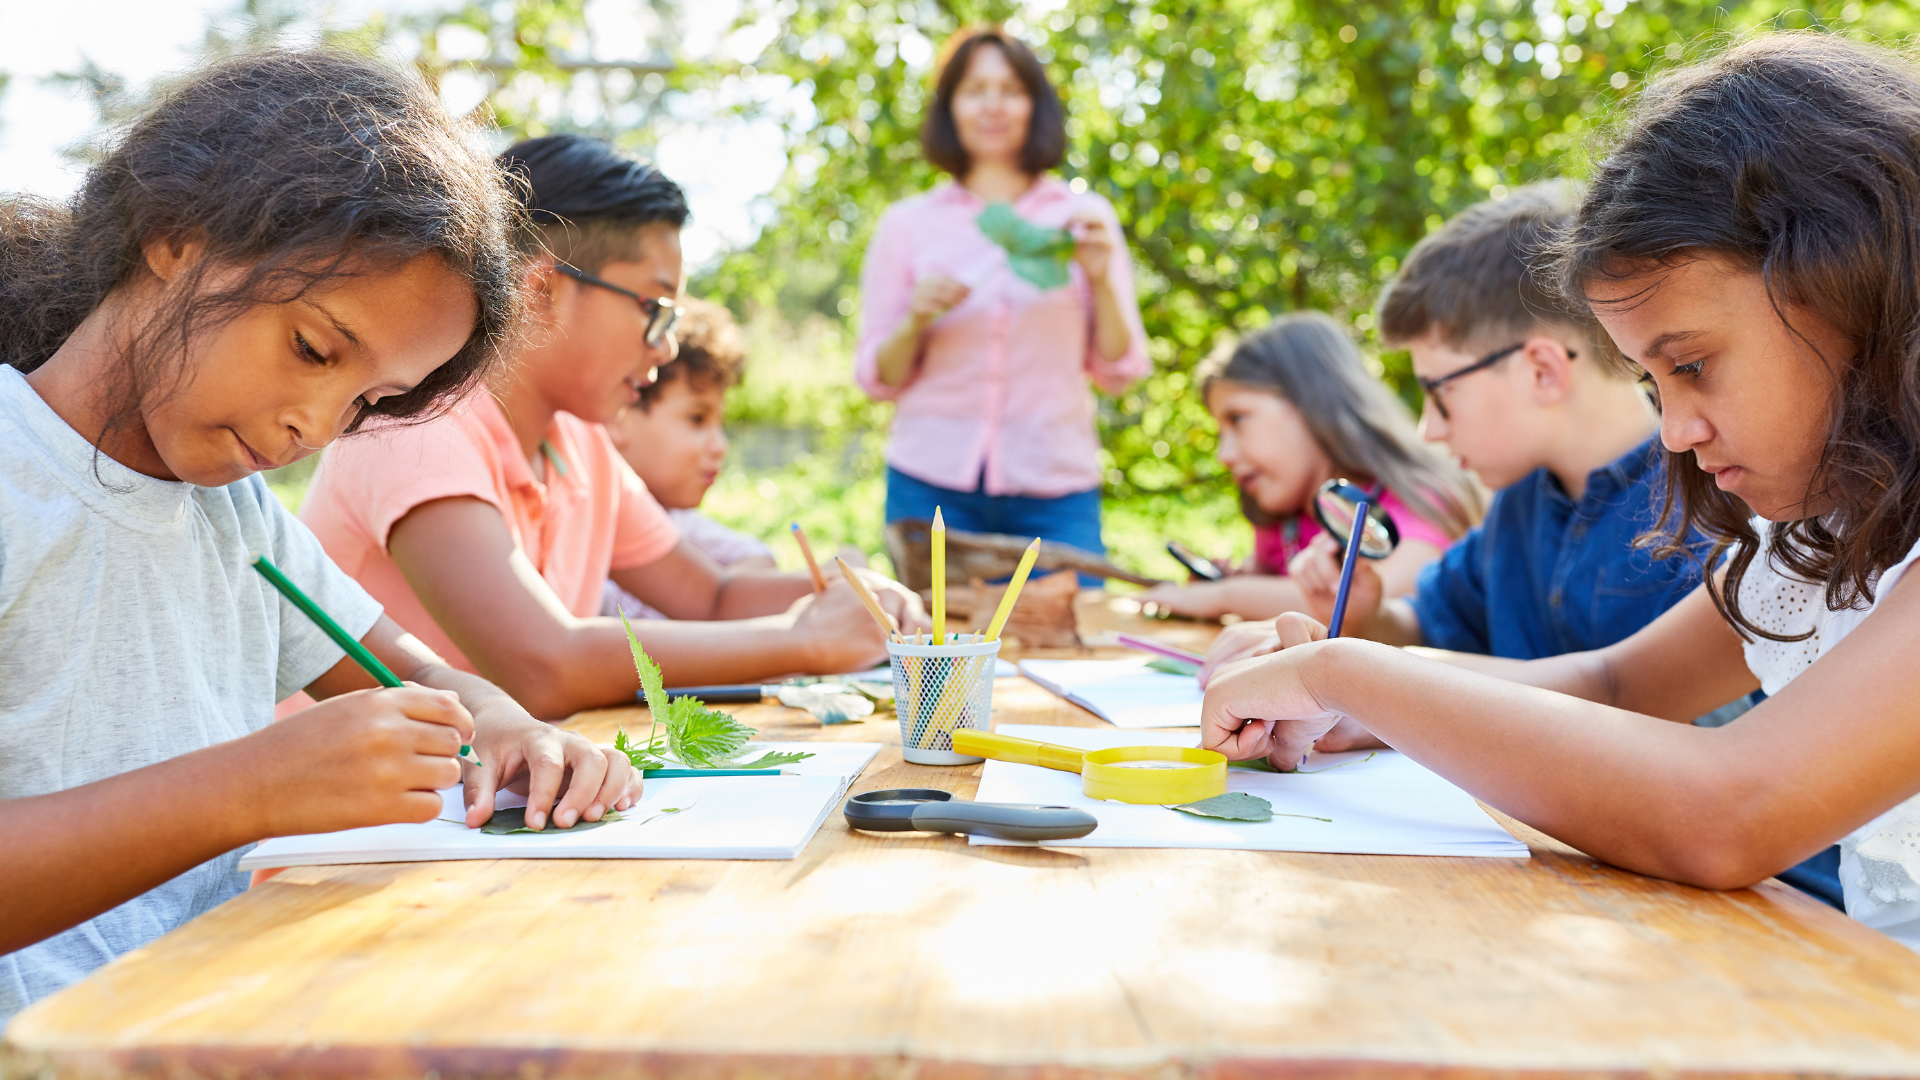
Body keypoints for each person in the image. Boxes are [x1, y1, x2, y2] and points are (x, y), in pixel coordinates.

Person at [1200, 33, 1920, 949]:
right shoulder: (1821, 536)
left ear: (1853, 291)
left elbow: (1732, 810)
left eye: (1694, 365)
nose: (1676, 430)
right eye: (1657, 383)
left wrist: (1343, 671)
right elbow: (1616, 683)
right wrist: (1364, 704)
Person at [0, 51, 641, 1021]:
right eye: (312, 348)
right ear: (177, 234)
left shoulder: (237, 515)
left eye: (366, 401)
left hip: (216, 1017)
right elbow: (248, 787)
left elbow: (419, 677)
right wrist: (250, 788)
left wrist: (500, 725)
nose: (314, 424)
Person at [301, 135, 925, 720]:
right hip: (353, 818)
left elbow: (709, 597)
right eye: (655, 311)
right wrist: (802, 640)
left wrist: (865, 601)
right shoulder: (415, 426)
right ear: (541, 292)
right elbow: (542, 666)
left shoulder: (580, 446)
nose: (668, 346)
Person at [856, 26, 1149, 572]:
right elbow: (878, 378)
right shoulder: (907, 226)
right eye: (974, 89)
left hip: (1055, 491)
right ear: (951, 107)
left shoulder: (1082, 220)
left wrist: (1103, 280)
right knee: (937, 657)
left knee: (1068, 652)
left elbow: (1119, 368)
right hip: (931, 487)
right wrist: (916, 319)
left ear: (1034, 105)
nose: (993, 105)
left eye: (1011, 89)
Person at [1137, 312, 1481, 621]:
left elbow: (1379, 599)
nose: (1224, 455)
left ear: (1313, 404)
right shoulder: (1285, 520)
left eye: (1238, 419)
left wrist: (1222, 597)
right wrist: (1246, 582)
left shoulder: (1416, 498)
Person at [601, 297, 777, 620]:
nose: (720, 446)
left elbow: (759, 557)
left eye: (720, 423)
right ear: (620, 412)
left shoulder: (678, 521)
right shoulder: (591, 520)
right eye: (697, 419)